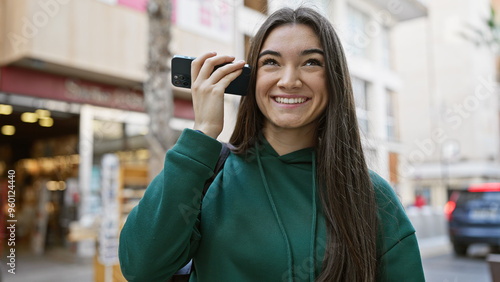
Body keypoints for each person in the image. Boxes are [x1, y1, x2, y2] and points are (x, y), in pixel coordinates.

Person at [119, 7, 425, 282]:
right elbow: (141, 267)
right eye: (271, 62)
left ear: (333, 80)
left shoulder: (371, 195)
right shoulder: (209, 176)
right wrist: (202, 134)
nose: (289, 80)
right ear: (251, 78)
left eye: (310, 62)